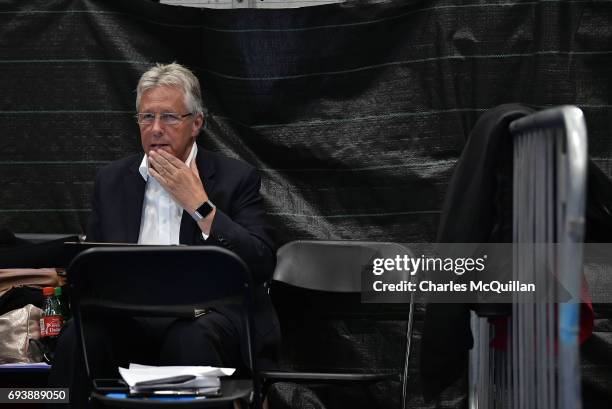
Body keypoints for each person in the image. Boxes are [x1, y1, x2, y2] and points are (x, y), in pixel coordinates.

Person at [49, 63, 279, 406]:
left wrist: (200, 206)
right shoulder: (112, 181)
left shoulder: (235, 178)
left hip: (206, 316)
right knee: (79, 338)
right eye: (146, 118)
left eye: (169, 118)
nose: (156, 129)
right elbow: (92, 268)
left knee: (189, 340)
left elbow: (260, 261)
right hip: (129, 318)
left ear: (196, 124)